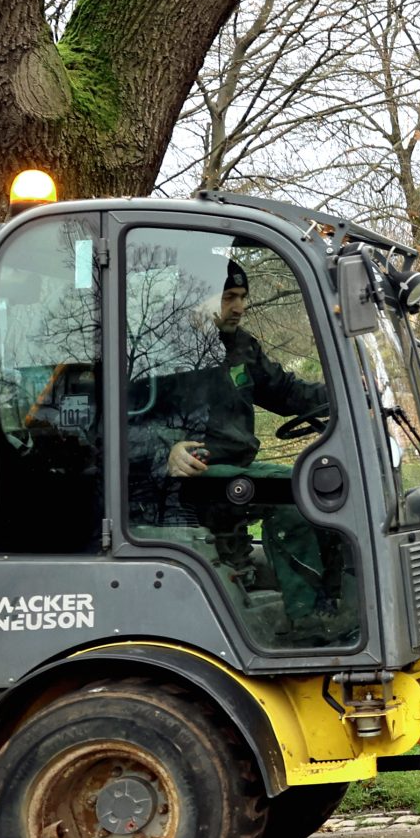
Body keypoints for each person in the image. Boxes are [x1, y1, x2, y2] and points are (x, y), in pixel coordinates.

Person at [129, 257, 342, 640]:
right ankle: (307, 624)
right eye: (229, 297)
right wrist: (167, 449)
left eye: (242, 297)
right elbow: (120, 423)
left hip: (232, 476)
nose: (240, 307)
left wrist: (345, 393)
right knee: (295, 497)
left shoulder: (240, 346)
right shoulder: (157, 351)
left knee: (333, 490)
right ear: (199, 297)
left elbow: (286, 391)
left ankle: (332, 602)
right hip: (191, 482)